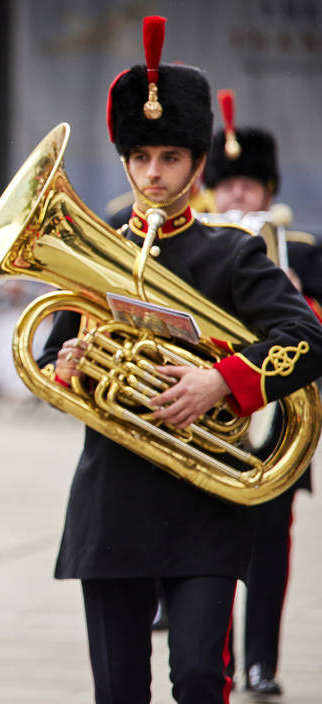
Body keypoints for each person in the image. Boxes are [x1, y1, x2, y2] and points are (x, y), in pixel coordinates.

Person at [41, 16, 322, 704]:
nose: (154, 173)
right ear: (127, 161)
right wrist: (70, 361)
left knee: (199, 677)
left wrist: (219, 380)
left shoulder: (232, 253)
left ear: (197, 165)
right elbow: (49, 352)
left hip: (205, 501)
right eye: (141, 159)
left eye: (170, 158)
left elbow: (308, 340)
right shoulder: (96, 246)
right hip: (111, 502)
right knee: (118, 690)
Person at [202, 89, 322, 697]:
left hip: (277, 424)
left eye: (248, 184)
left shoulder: (302, 250)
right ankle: (218, 657)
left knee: (270, 552)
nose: (236, 194)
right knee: (211, 556)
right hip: (214, 419)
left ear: (268, 190)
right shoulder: (202, 245)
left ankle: (261, 662)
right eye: (226, 184)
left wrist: (297, 295)